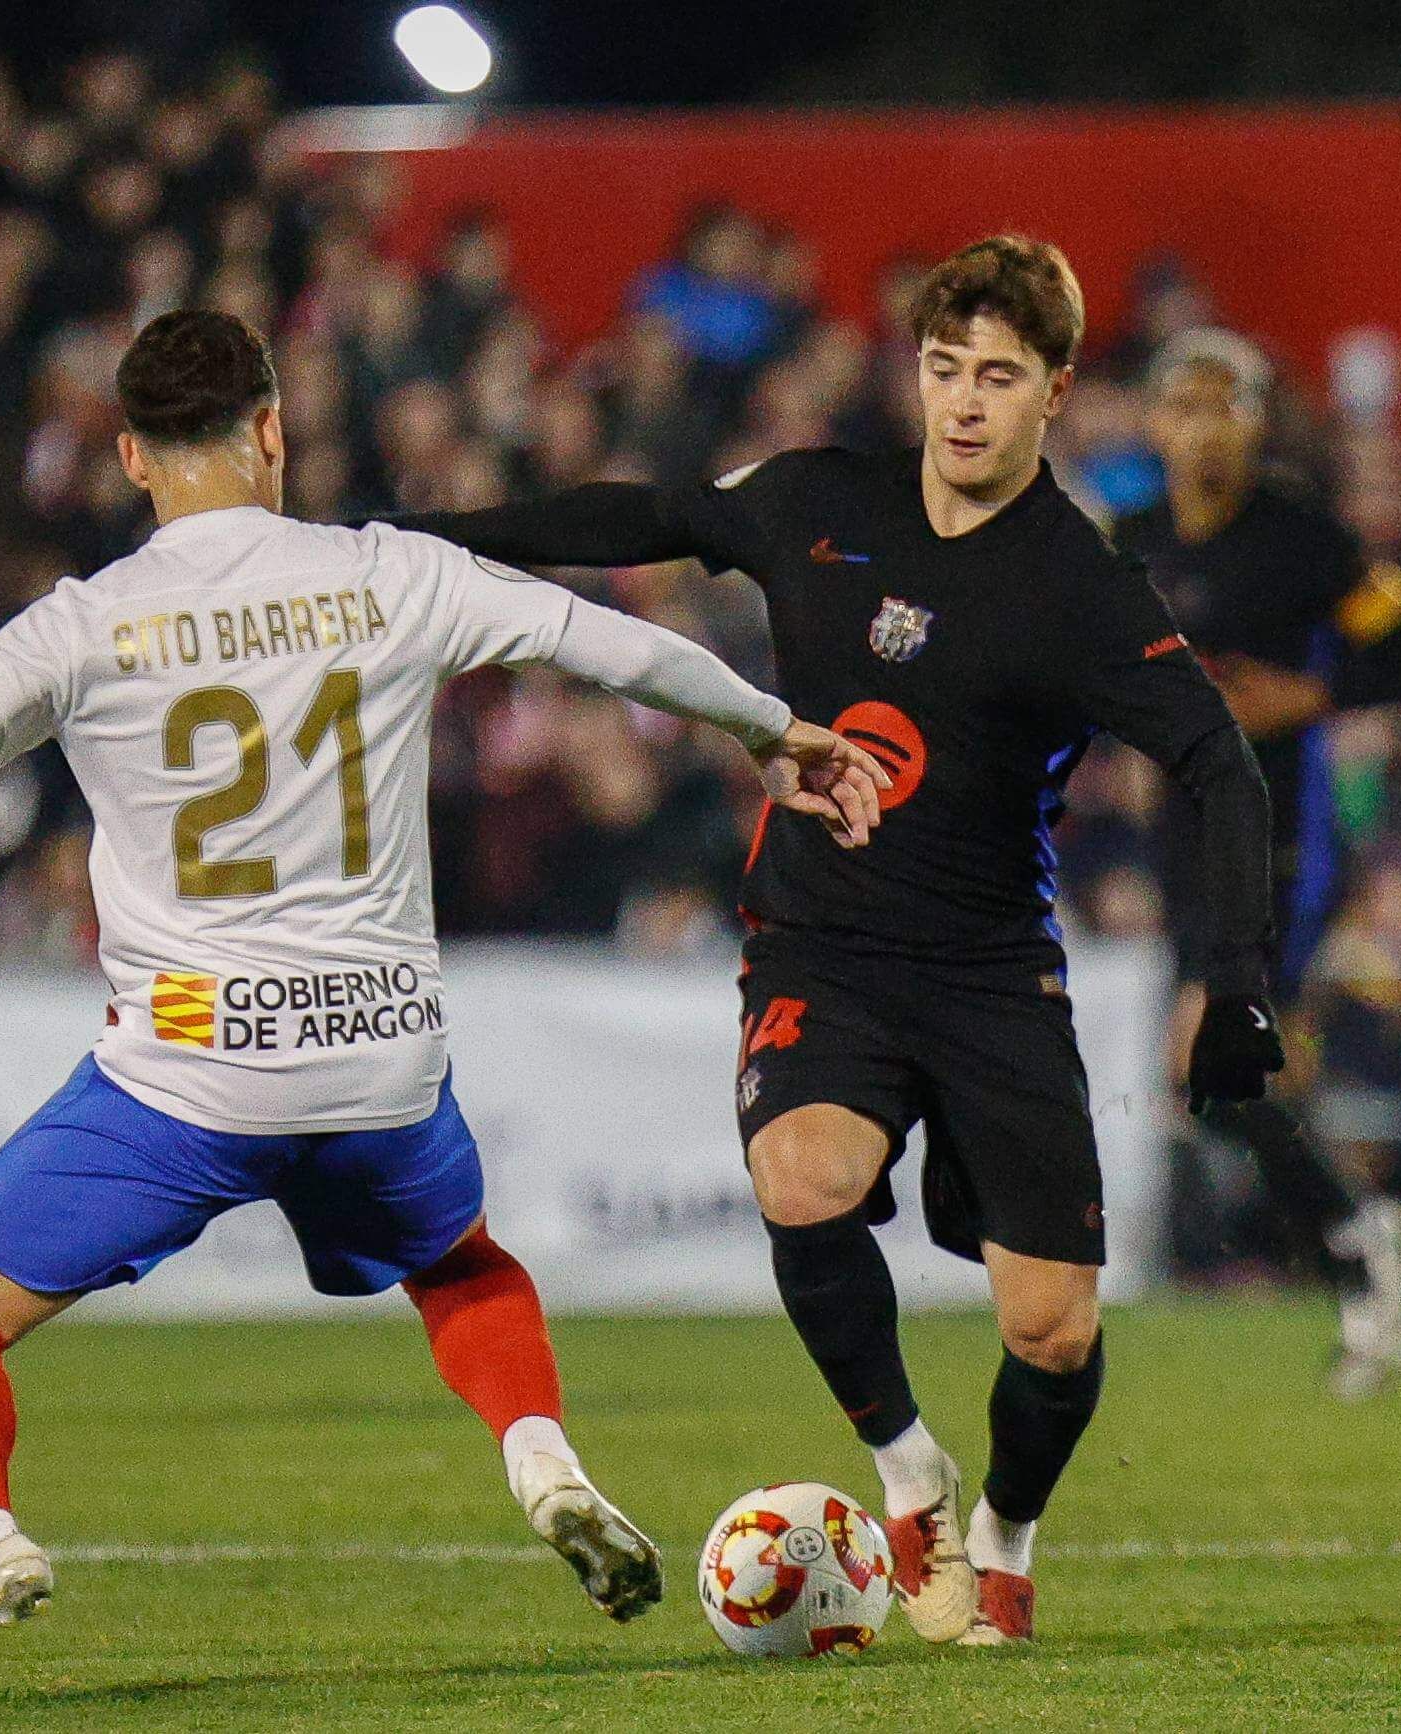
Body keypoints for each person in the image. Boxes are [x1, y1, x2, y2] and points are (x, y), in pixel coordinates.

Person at [0, 309, 890, 1706]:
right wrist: (771, 730)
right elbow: (616, 648)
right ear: (274, 427)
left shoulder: (83, 623)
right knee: (463, 1263)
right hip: (379, 1059)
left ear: (127, 454)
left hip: (191, 1072)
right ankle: (543, 1461)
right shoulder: (389, 574)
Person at [378, 236, 1282, 1646]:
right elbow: (652, 511)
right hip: (823, 942)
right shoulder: (817, 501)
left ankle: (1004, 1530)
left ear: (1055, 393)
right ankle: (907, 1470)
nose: (965, 402)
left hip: (992, 969)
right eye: (943, 369)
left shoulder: (1082, 585)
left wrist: (1238, 988)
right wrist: (446, 534)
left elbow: (1224, 766)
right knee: (804, 1178)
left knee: (1051, 1331)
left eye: (999, 375)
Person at [1113, 328, 1401, 1399]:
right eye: (1186, 405)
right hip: (1182, 834)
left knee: (1214, 1064)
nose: (1205, 428)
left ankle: (1358, 1249)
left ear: (1258, 423)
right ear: (1154, 421)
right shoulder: (1132, 540)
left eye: (1228, 406)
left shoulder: (1308, 543)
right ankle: (1360, 1249)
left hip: (1280, 836)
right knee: (1232, 1083)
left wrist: (1309, 698)